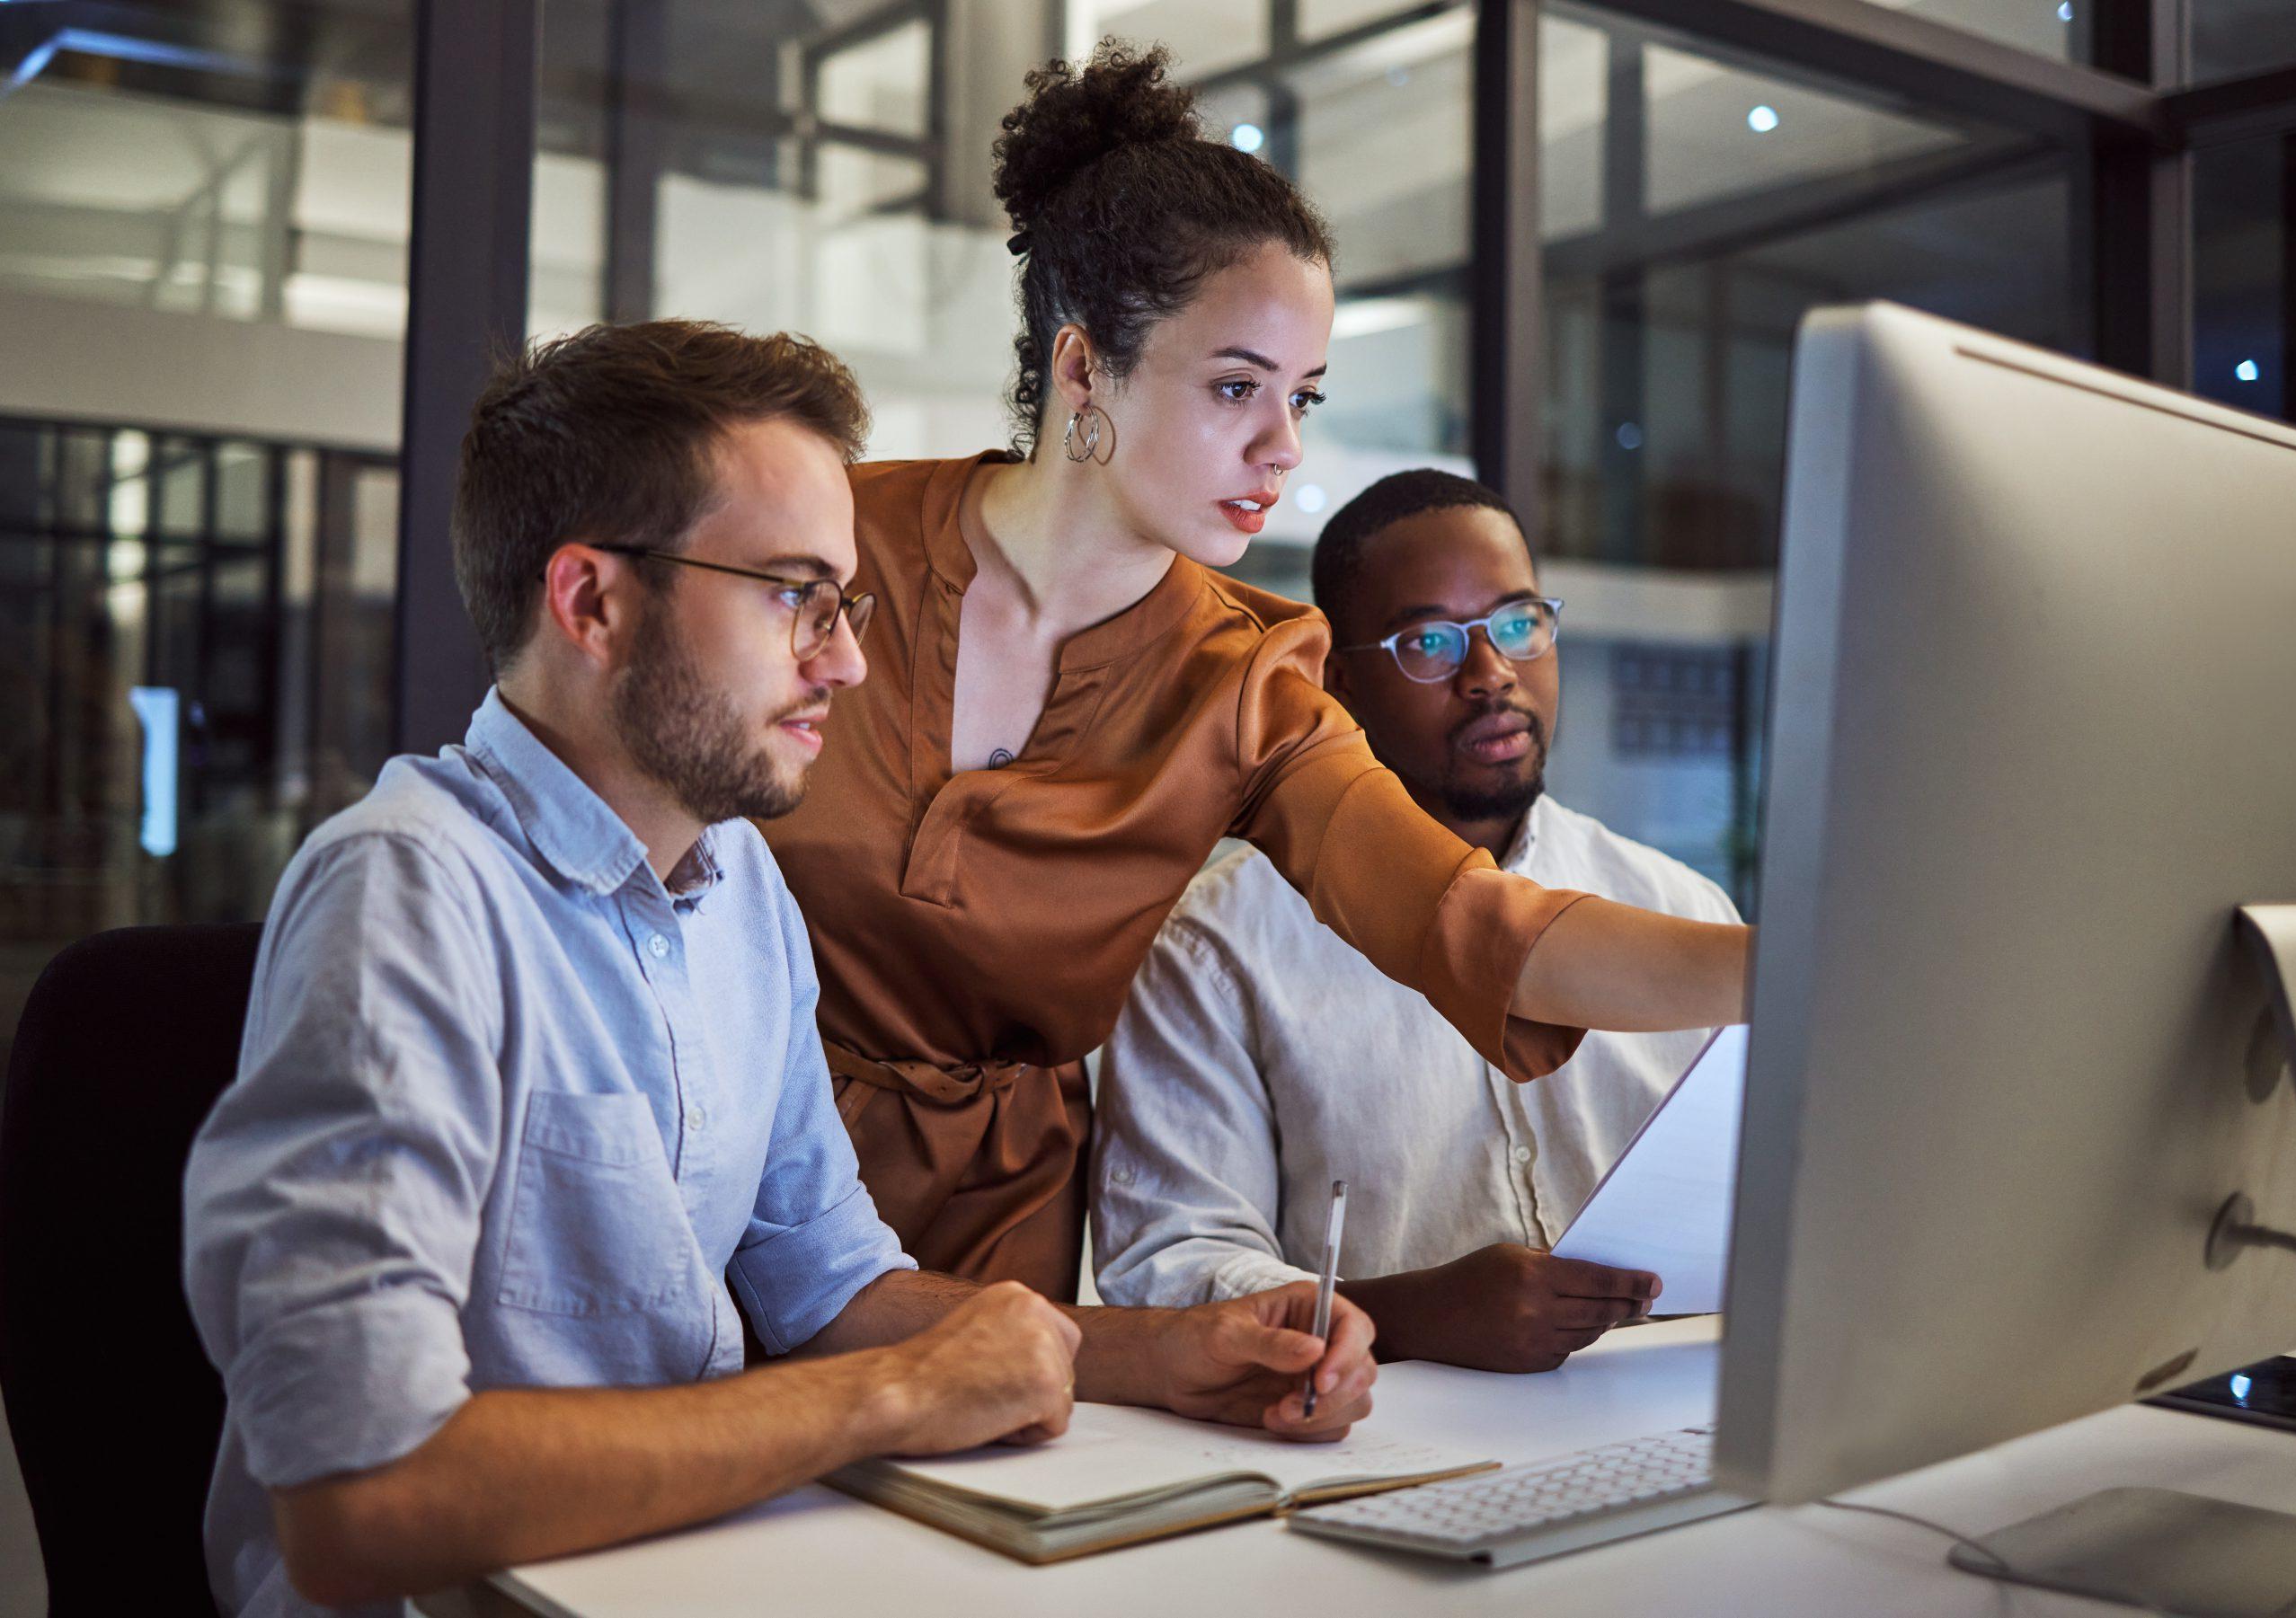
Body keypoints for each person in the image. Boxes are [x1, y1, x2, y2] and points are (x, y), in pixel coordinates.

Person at [182, 322, 1377, 1618]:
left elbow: (829, 1283)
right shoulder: (407, 894)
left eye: (846, 602)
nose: (848, 659)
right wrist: (888, 1397)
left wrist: (1165, 1354)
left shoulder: (740, 881)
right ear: (591, 601)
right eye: (792, 594)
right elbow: (359, 1501)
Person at [758, 43, 1752, 1301]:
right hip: (717, 1172)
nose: (1282, 448)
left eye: (1304, 398)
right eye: (1237, 387)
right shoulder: (824, 548)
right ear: (1081, 368)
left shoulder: (1249, 677)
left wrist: (1797, 966)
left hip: (990, 1251)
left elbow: (1475, 922)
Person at [1093, 470, 1742, 1371]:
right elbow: (1166, 1269)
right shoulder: (1214, 947)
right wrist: (1411, 1314)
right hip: (1375, 1438)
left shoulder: (1676, 906)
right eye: (1428, 642)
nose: (1491, 674)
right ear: (1337, 680)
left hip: (1674, 1410)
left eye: (1519, 623)